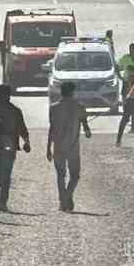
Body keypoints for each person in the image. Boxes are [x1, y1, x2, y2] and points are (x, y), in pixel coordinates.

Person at [47, 80, 92, 211]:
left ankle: (63, 200)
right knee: (75, 175)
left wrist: (48, 148)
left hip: (58, 147)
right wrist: (87, 131)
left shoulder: (54, 108)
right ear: (72, 92)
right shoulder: (80, 107)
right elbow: (86, 127)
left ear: (61, 92)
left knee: (61, 175)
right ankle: (67, 196)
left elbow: (52, 129)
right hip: (73, 147)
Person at [0, 83, 31, 211]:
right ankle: (2, 201)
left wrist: (26, 142)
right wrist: (26, 142)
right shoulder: (15, 111)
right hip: (9, 146)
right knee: (5, 175)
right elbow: (23, 129)